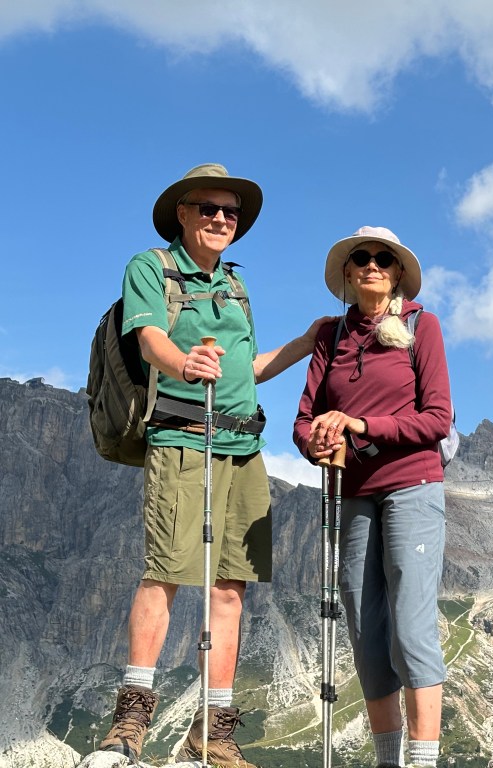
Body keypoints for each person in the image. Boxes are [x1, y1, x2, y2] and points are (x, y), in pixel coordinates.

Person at [98, 163, 332, 768]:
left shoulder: (236, 286)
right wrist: (184, 363)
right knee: (165, 573)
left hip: (242, 448)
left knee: (230, 587)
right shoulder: (151, 267)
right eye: (209, 209)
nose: (223, 220)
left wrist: (307, 341)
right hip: (181, 439)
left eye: (230, 213)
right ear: (182, 213)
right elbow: (150, 338)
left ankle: (214, 731)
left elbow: (248, 371)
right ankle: (129, 725)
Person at [293, 226, 452, 768]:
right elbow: (303, 418)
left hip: (414, 485)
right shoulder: (331, 337)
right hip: (354, 492)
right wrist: (315, 441)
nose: (372, 264)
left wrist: (358, 423)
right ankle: (389, 760)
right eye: (361, 257)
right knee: (365, 627)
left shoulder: (421, 326)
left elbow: (437, 419)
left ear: (399, 272)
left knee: (410, 626)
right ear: (347, 270)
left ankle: (422, 760)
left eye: (384, 258)